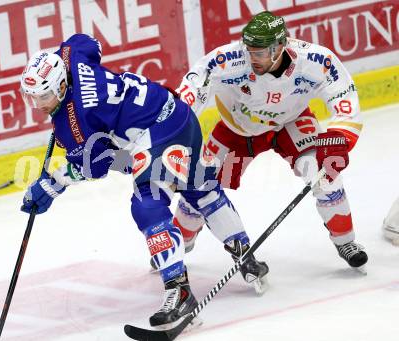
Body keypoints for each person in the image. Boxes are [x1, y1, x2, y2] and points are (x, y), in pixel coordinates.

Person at [19, 33, 268, 329]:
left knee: (147, 205)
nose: (38, 104)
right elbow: (90, 41)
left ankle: (180, 291)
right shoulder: (71, 55)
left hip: (157, 133)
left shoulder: (73, 123)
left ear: (61, 85)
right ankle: (246, 255)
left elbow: (95, 167)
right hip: (179, 115)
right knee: (198, 188)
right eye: (32, 97)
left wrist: (52, 182)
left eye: (44, 97)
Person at [174, 11, 368, 273]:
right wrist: (172, 131)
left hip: (291, 124)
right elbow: (191, 93)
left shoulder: (315, 60)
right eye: (250, 50)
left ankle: (346, 242)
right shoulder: (227, 60)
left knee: (324, 174)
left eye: (261, 53)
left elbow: (344, 100)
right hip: (237, 133)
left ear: (280, 47)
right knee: (200, 187)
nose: (253, 58)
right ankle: (177, 247)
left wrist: (338, 139)